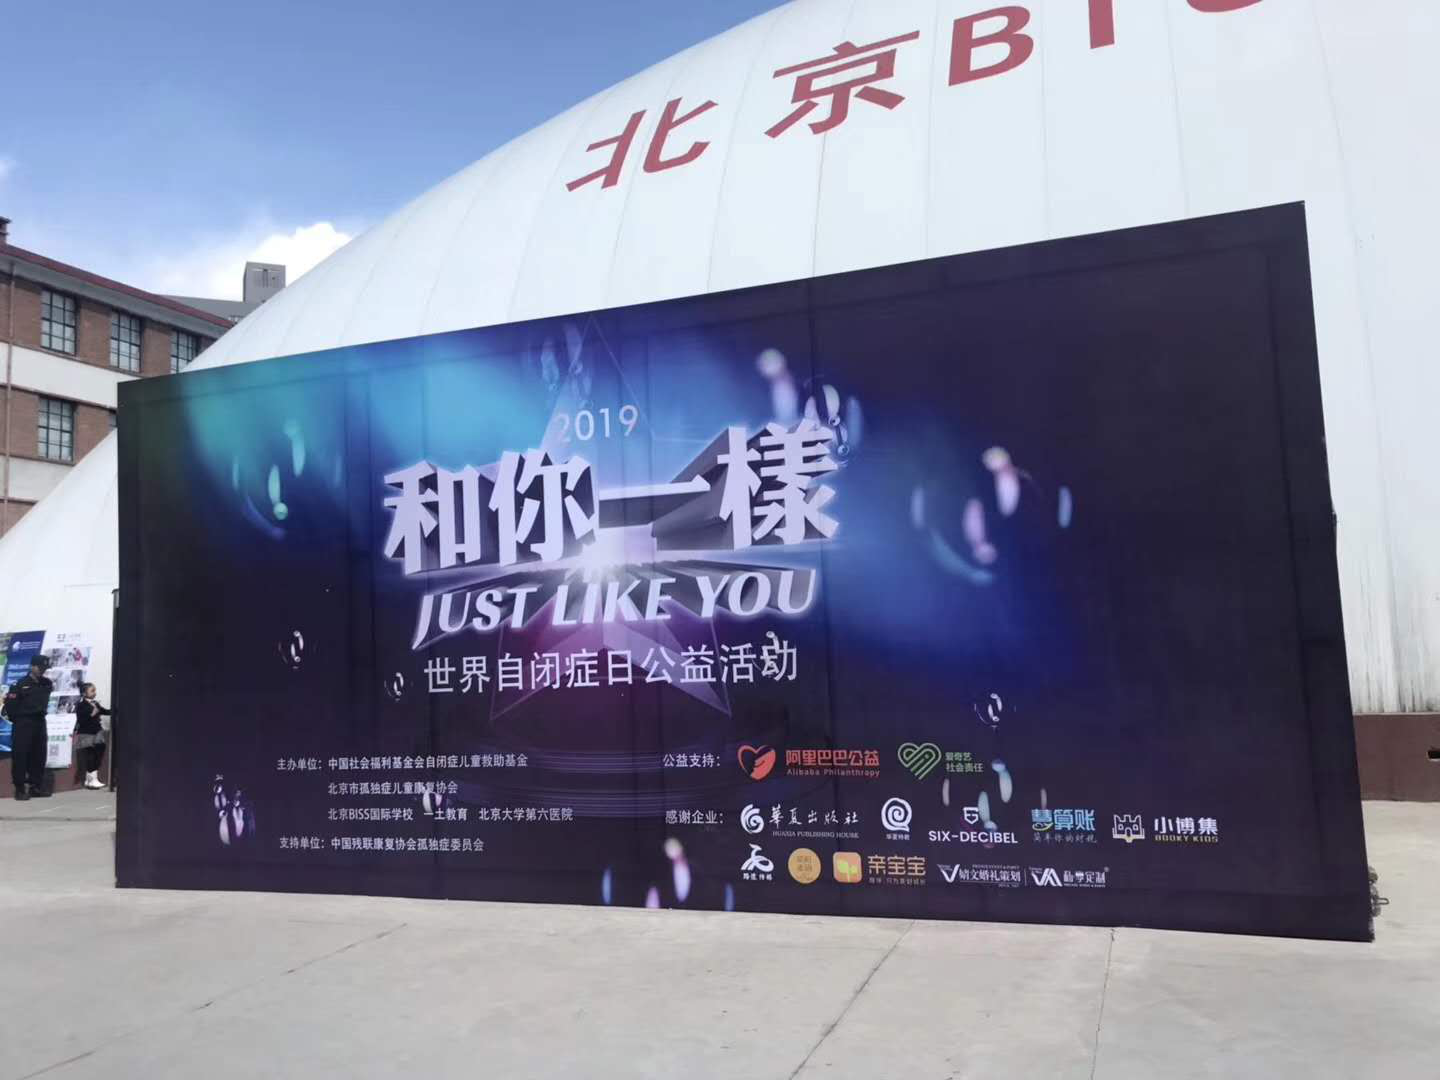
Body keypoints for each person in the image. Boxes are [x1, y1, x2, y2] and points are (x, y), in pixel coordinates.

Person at [3, 656, 53, 800]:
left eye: (44, 668)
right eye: (40, 667)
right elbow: (10, 707)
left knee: (39, 754)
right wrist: (19, 720)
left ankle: (35, 786)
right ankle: (19, 789)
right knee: (21, 756)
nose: (42, 671)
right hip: (23, 723)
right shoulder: (20, 684)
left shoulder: (46, 683)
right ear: (32, 666)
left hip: (39, 722)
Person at [72, 683, 111, 790]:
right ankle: (91, 780)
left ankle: (92, 778)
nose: (94, 693)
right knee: (90, 755)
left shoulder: (95, 703)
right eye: (92, 691)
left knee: (99, 751)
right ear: (84, 693)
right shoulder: (81, 705)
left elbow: (104, 711)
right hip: (86, 733)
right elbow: (81, 720)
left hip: (97, 732)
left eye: (95, 690)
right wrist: (92, 714)